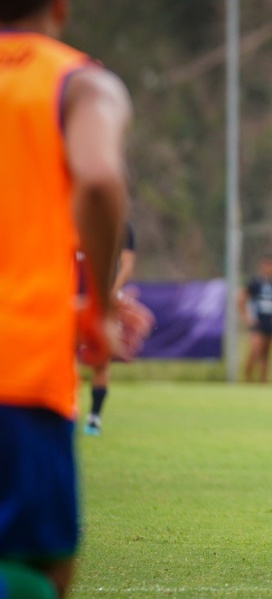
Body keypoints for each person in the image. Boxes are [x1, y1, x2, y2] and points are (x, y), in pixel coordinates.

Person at [0, 1, 152, 596]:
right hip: (20, 372)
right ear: (60, 6)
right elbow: (98, 178)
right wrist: (98, 312)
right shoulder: (81, 84)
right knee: (39, 566)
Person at [84, 222, 136, 436]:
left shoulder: (120, 225)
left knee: (101, 360)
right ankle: (62, 410)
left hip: (103, 300)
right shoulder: (64, 217)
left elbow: (127, 265)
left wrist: (110, 295)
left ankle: (94, 418)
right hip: (67, 298)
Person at [237, 255, 272, 383]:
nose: (269, 268)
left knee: (266, 354)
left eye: (271, 266)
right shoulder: (254, 283)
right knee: (255, 350)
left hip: (271, 322)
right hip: (257, 322)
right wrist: (245, 317)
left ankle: (263, 381)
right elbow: (241, 299)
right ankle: (247, 378)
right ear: (262, 266)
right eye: (266, 265)